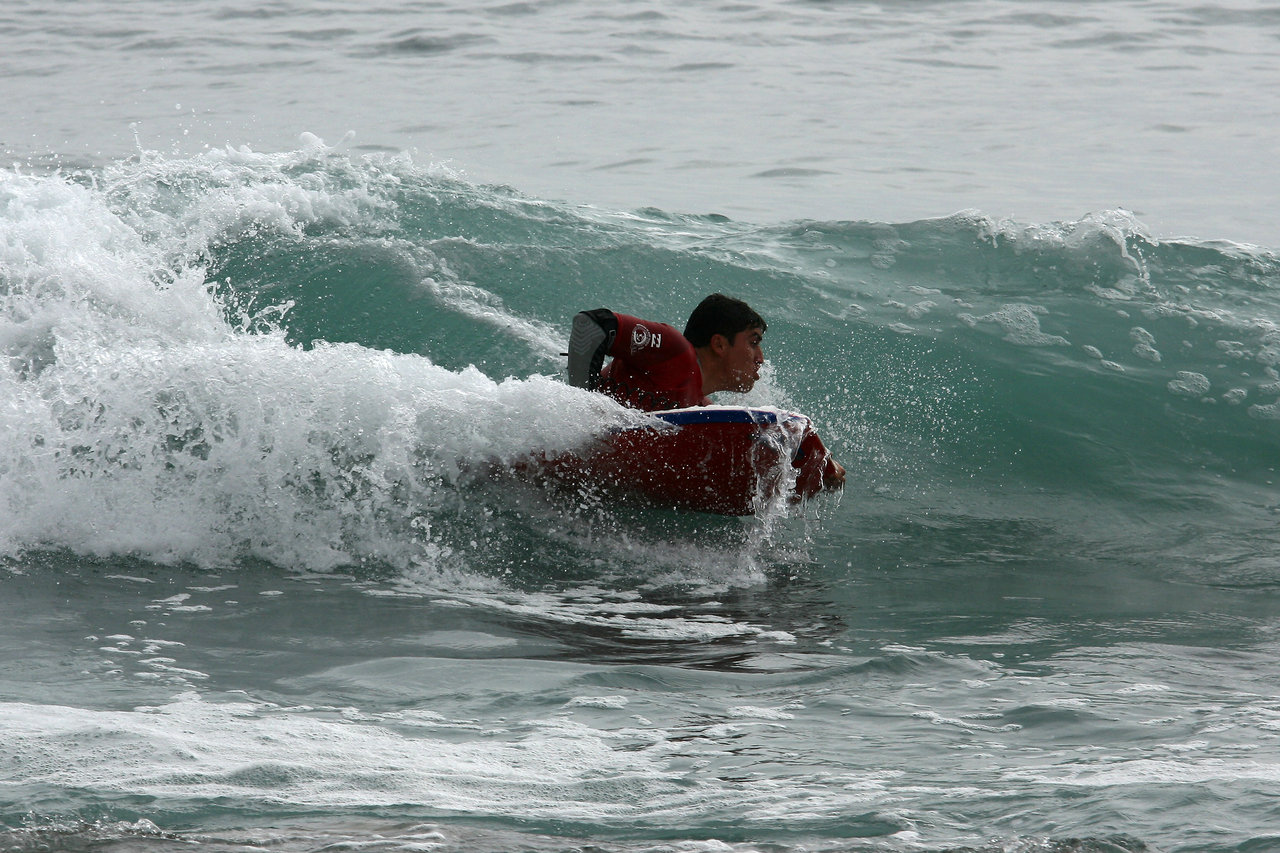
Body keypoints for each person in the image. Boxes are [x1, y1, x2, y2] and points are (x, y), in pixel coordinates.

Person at [567, 293, 845, 490]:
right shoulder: (675, 351)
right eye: (753, 342)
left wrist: (819, 473)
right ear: (719, 344)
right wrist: (581, 410)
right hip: (563, 455)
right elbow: (593, 325)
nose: (760, 357)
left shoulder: (699, 409)